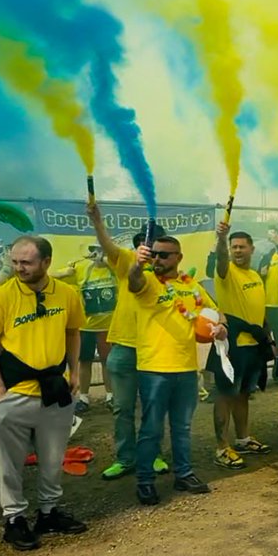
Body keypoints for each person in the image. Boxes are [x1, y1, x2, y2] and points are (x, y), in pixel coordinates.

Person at [0, 236, 88, 550]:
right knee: (9, 464)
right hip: (14, 393)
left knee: (52, 460)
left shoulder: (66, 294)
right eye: (15, 261)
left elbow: (73, 331)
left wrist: (75, 372)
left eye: (26, 262)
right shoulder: (1, 296)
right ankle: (14, 519)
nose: (18, 268)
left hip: (54, 391)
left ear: (46, 262)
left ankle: (48, 513)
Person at [129, 235, 226, 505]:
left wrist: (220, 328)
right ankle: (145, 481)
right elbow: (133, 281)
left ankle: (184, 473)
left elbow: (216, 313)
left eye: (164, 255)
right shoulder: (147, 281)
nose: (157, 259)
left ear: (178, 258)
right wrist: (138, 264)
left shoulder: (191, 285)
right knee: (151, 429)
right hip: (154, 369)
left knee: (182, 427)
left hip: (185, 368)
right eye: (155, 254)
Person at [86, 204, 170, 481]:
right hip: (123, 349)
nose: (154, 255)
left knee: (153, 407)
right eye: (148, 249)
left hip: (154, 351)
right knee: (122, 407)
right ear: (138, 249)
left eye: (160, 251)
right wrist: (97, 222)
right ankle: (125, 458)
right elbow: (108, 245)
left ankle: (153, 455)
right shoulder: (125, 263)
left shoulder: (168, 276)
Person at [211, 225, 272, 469]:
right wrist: (221, 238)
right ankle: (222, 447)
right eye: (233, 247)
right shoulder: (226, 272)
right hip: (231, 345)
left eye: (241, 246)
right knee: (226, 395)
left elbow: (259, 311)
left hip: (253, 346)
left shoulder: (255, 275)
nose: (237, 250)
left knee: (244, 393)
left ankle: (243, 438)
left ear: (251, 249)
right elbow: (221, 260)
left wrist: (269, 340)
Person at [54, 243, 116, 416]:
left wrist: (106, 260)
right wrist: (64, 273)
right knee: (85, 361)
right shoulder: (81, 268)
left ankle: (110, 396)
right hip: (86, 325)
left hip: (108, 325)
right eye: (94, 251)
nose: (98, 254)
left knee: (108, 361)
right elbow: (50, 276)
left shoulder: (116, 268)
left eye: (102, 250)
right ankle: (83, 398)